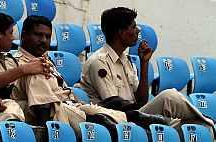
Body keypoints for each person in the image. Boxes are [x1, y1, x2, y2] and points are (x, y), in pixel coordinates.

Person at [13, 15, 167, 141]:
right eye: (38, 35)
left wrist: (144, 63)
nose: (44, 40)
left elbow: (141, 101)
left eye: (47, 36)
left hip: (72, 106)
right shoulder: (18, 63)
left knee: (130, 117)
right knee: (107, 125)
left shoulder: (46, 61)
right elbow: (39, 104)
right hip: (52, 111)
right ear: (24, 35)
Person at [76, 7, 214, 133]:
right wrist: (151, 115)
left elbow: (142, 100)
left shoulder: (126, 60)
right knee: (169, 96)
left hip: (137, 117)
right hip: (119, 120)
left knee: (195, 126)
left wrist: (144, 63)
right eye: (133, 26)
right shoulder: (99, 62)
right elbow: (114, 104)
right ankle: (210, 121)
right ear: (121, 32)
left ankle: (208, 124)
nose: (138, 30)